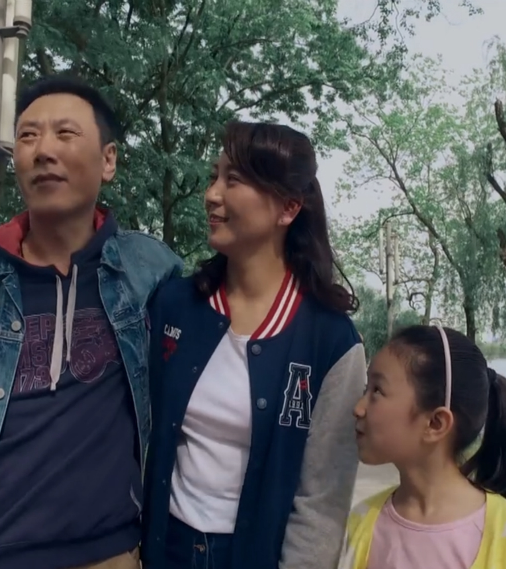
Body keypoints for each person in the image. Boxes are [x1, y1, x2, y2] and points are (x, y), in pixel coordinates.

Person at [0, 76, 182, 569]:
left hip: (109, 557)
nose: (44, 150)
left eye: (65, 133)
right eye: (28, 136)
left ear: (109, 160)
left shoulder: (151, 271)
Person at [141, 121, 367, 569]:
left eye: (234, 180)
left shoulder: (331, 341)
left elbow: (322, 500)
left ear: (288, 207)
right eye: (214, 176)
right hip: (165, 548)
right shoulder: (174, 305)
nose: (211, 194)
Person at [340, 325, 506, 569]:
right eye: (366, 388)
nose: (358, 408)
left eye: (377, 391)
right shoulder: (361, 522)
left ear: (436, 423)